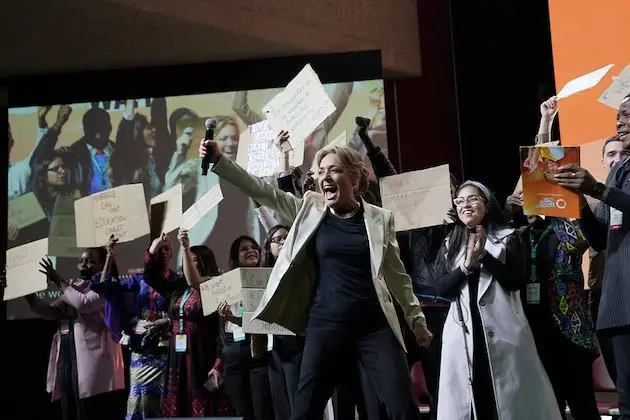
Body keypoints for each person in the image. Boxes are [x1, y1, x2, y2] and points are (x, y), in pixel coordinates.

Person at [199, 138, 432, 420]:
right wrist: (221, 161)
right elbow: (264, 192)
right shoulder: (311, 209)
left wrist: (416, 319)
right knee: (305, 410)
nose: (324, 178)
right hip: (326, 325)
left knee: (403, 408)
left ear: (354, 178)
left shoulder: (379, 219)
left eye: (333, 170)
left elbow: (397, 276)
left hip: (374, 327)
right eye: (320, 172)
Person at [427, 181, 560, 420]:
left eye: (472, 199)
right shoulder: (451, 243)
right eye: (460, 201)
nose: (465, 204)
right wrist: (466, 266)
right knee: (470, 400)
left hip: (503, 333)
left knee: (507, 403)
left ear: (487, 205)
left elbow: (514, 281)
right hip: (464, 337)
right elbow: (442, 288)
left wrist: (484, 256)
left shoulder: (508, 237)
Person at [555, 93, 630, 419]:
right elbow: (600, 237)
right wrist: (581, 202)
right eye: (618, 115)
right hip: (617, 303)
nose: (619, 121)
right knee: (627, 404)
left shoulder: (609, 181)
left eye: (627, 115)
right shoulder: (619, 171)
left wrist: (597, 189)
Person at [25, 248, 125, 420]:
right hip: (68, 356)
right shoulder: (75, 288)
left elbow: (85, 304)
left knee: (88, 413)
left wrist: (57, 279)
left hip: (93, 362)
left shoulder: (106, 286)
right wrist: (26, 293)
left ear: (103, 264)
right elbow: (51, 311)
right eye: (82, 260)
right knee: (69, 411)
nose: (84, 263)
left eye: (90, 260)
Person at [91, 235, 171, 419]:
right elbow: (105, 288)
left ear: (173, 254)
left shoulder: (176, 279)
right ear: (149, 255)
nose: (163, 253)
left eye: (167, 249)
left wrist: (168, 321)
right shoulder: (138, 280)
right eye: (159, 249)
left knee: (161, 402)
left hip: (166, 350)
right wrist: (110, 257)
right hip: (140, 346)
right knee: (138, 401)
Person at [218, 236, 274, 420]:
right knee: (240, 412)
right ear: (235, 256)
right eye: (244, 249)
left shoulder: (269, 280)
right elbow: (195, 281)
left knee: (262, 410)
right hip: (234, 353)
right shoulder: (226, 283)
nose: (251, 250)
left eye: (254, 247)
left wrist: (234, 318)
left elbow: (260, 321)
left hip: (259, 353)